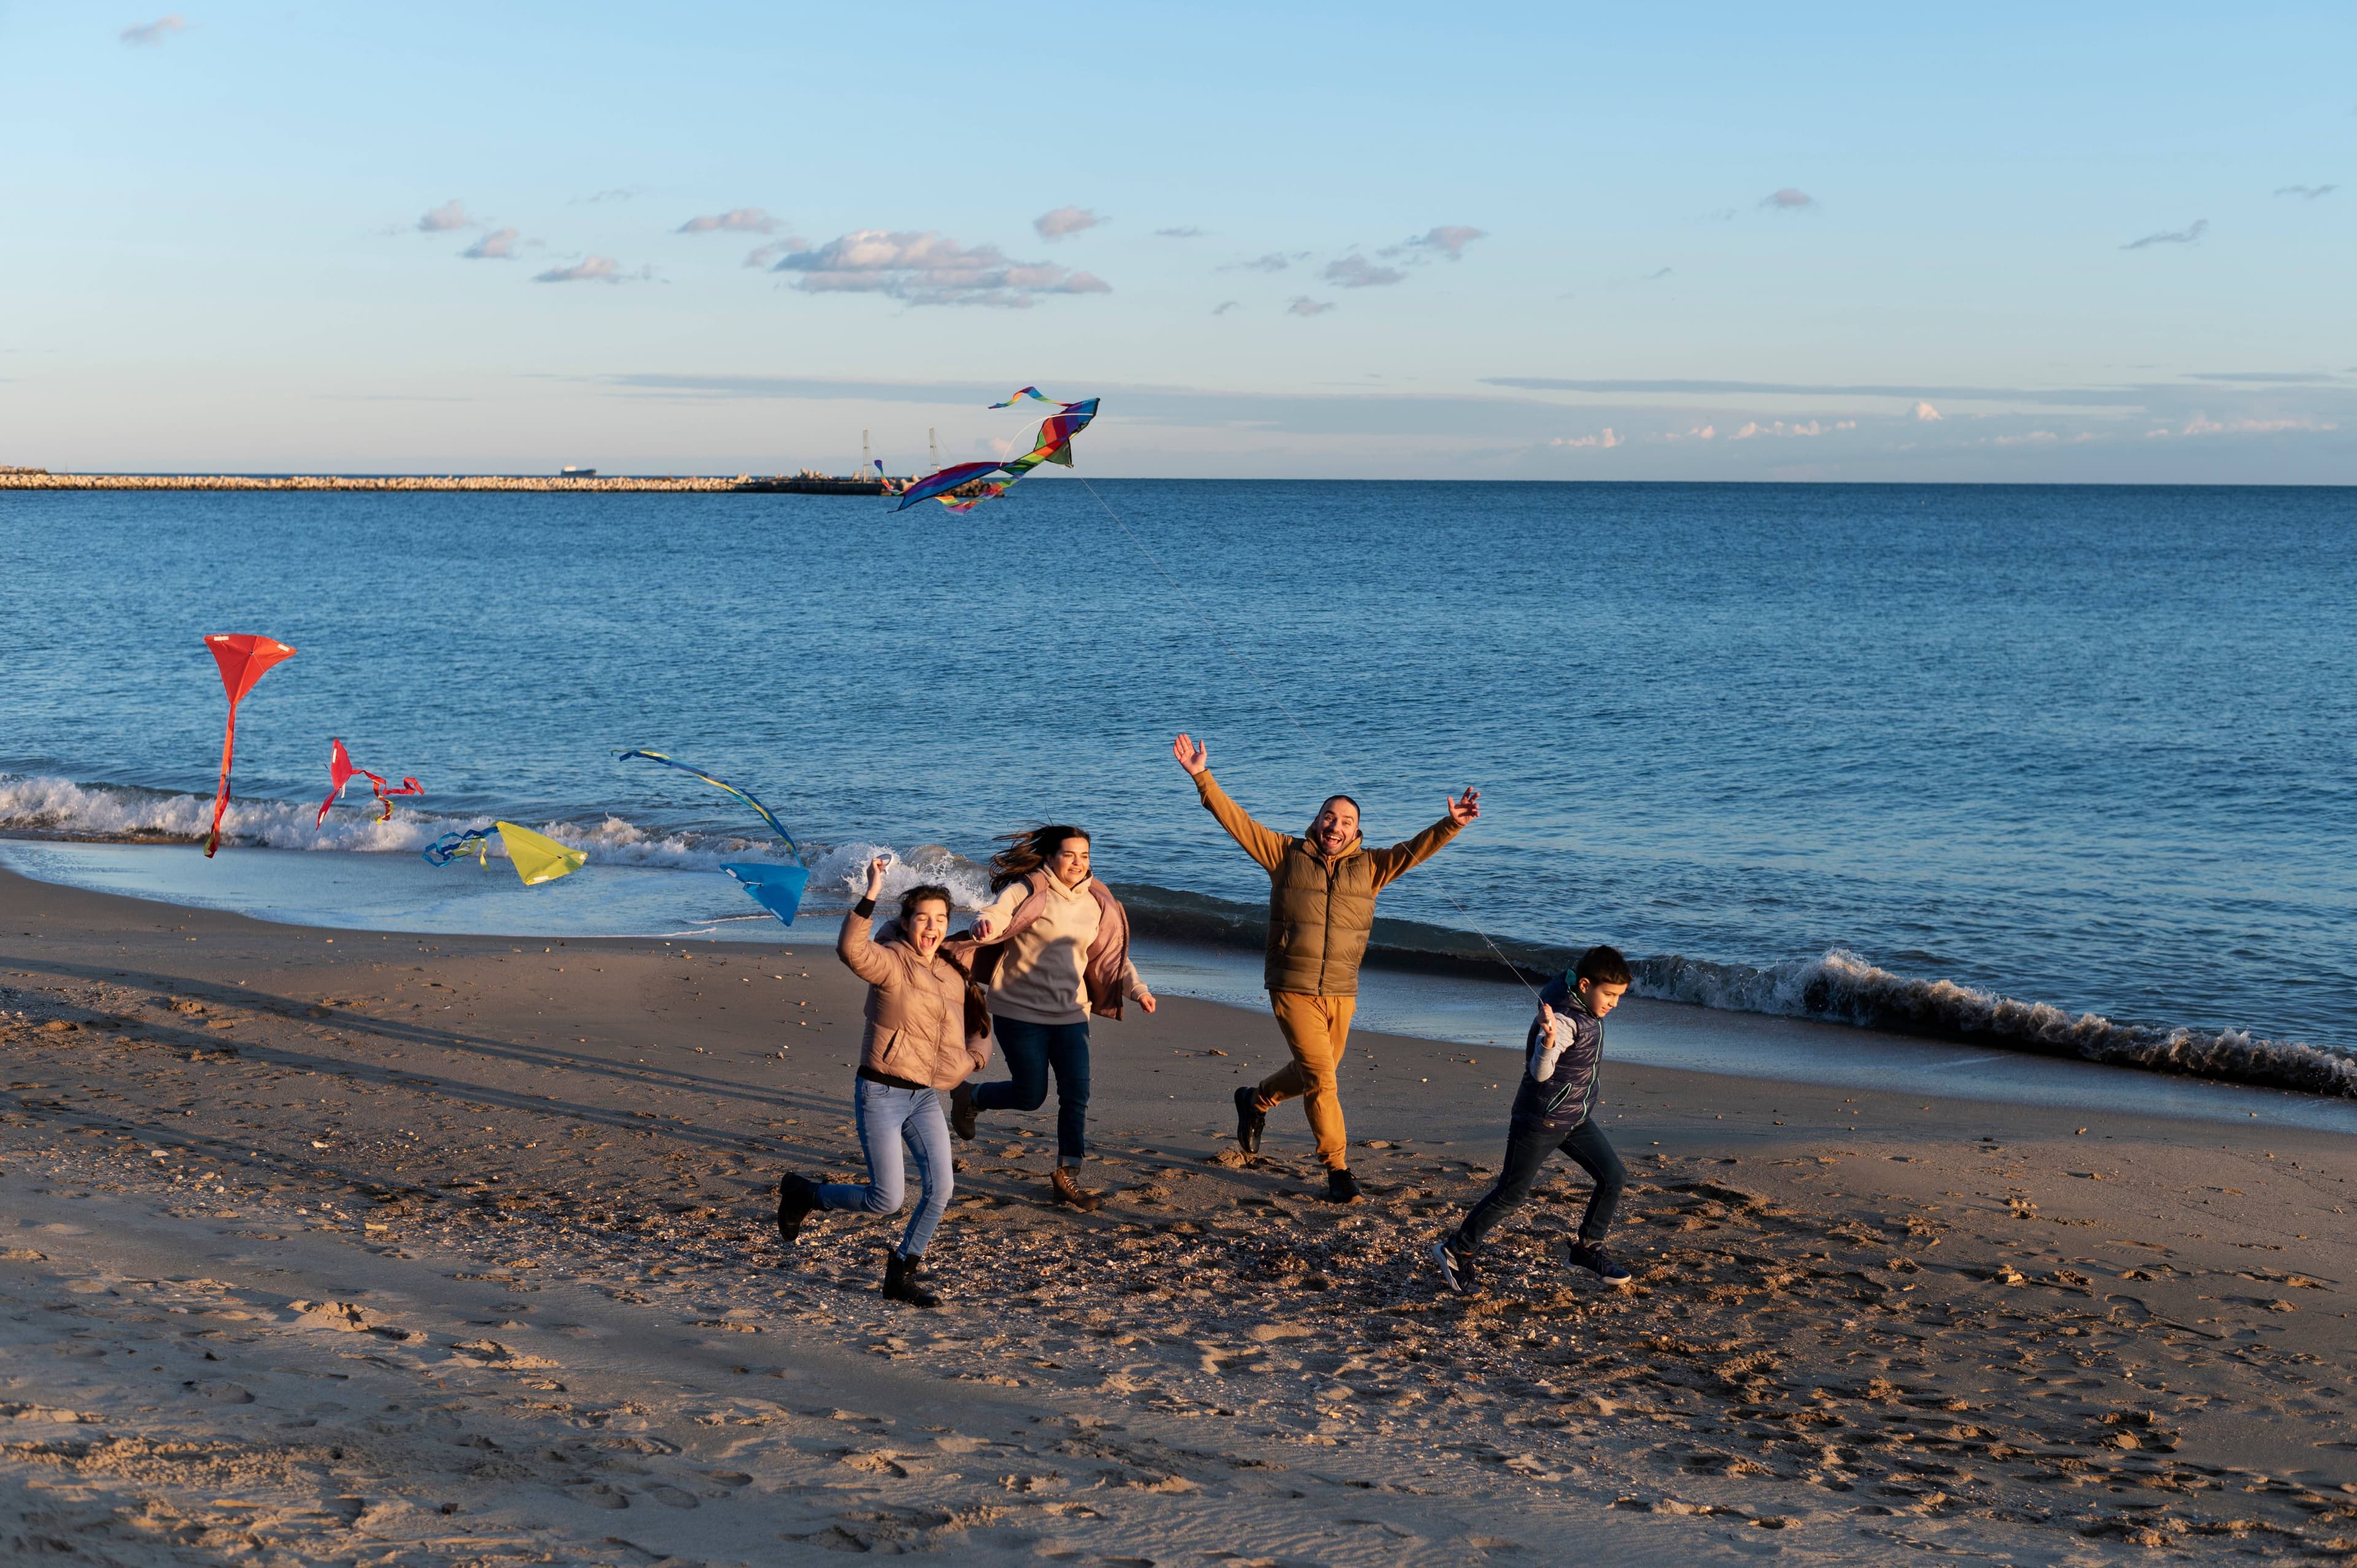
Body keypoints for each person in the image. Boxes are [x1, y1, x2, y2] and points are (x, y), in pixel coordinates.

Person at [1171, 732, 1479, 1203]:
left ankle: (1256, 1099)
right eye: (1329, 817)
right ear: (1316, 821)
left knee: (1315, 1072)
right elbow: (1238, 821)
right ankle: (1337, 1168)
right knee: (1322, 1078)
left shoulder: (1373, 867)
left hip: (1341, 990)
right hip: (1292, 986)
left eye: (1346, 821)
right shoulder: (1285, 855)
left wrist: (1450, 824)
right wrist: (1202, 777)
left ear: (1357, 832)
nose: (1336, 825)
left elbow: (1415, 849)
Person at [775, 857, 988, 1308]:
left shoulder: (950, 972)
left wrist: (972, 1061)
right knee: (886, 1199)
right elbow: (851, 950)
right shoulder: (890, 961)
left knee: (942, 1189)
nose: (932, 927)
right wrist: (872, 891)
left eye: (941, 919)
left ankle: (902, 1272)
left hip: (924, 1097)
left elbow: (978, 1021)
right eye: (923, 918)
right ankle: (807, 1194)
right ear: (906, 922)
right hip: (881, 1092)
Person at [951, 824, 1157, 1211]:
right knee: (1031, 1095)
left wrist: (1138, 990)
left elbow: (1112, 957)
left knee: (1076, 1094)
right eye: (1069, 855)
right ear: (1050, 857)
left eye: (1085, 856)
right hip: (1019, 1010)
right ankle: (972, 1096)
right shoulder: (1029, 890)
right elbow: (998, 913)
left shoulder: (1097, 901)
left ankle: (1068, 1174)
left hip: (1071, 1014)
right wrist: (984, 924)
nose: (1078, 863)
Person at [1433, 944, 1635, 1294]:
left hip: (1574, 1118)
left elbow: (1573, 979)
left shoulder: (1580, 1001)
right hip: (1540, 1121)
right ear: (1585, 985)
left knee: (1613, 1177)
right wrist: (1549, 1039)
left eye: (1619, 996)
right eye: (1610, 994)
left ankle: (1587, 1250)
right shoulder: (1566, 1020)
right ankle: (1456, 1250)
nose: (1614, 1003)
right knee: (1511, 1194)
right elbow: (1540, 1072)